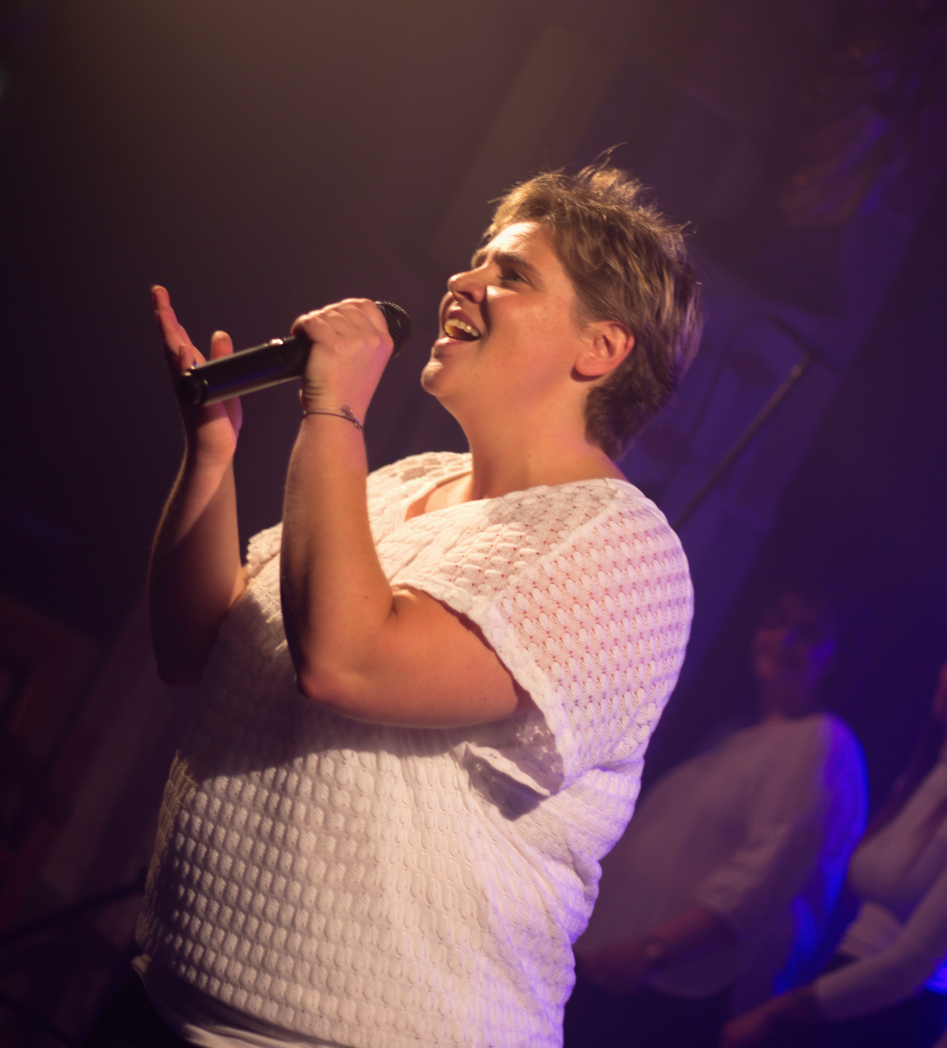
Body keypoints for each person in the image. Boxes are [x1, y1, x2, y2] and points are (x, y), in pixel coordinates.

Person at [85, 164, 703, 1048]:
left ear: (600, 348)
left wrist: (333, 408)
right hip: (165, 1002)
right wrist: (211, 456)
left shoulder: (622, 552)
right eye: (476, 259)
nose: (462, 280)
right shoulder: (403, 485)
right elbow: (191, 647)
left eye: (511, 274)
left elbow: (350, 662)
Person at [564, 590, 867, 1048]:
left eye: (806, 633)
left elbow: (761, 877)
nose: (782, 639)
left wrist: (654, 950)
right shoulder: (737, 734)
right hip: (616, 969)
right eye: (776, 620)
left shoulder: (822, 743)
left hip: (670, 989)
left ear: (838, 659)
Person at [722, 658, 947, 1048]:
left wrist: (779, 1012)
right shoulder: (924, 775)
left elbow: (911, 966)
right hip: (847, 994)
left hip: (887, 1014)